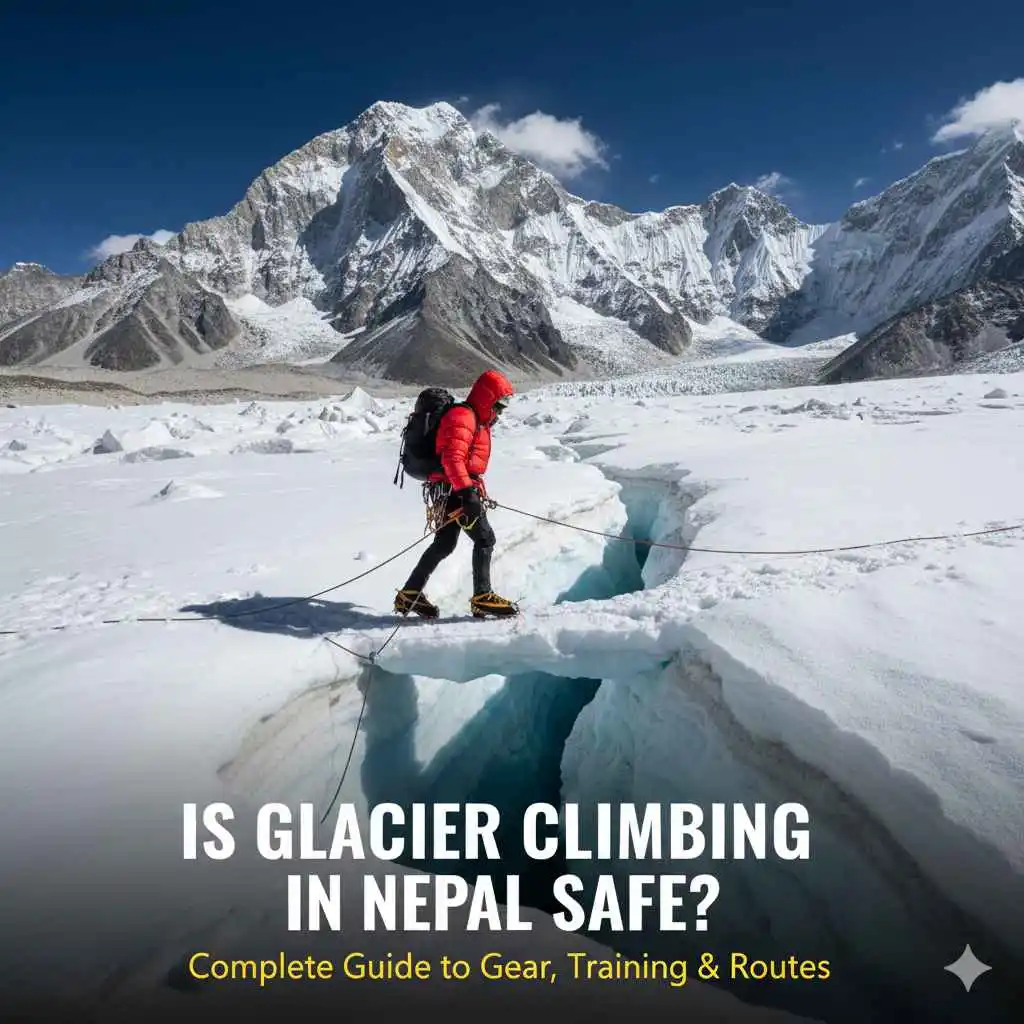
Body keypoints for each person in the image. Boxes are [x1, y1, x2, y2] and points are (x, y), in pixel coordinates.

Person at [395, 369, 520, 620]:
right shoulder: (464, 416)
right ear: (487, 399)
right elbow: (452, 458)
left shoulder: (475, 419)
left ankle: (410, 593)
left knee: (444, 544)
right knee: (485, 539)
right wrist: (467, 493)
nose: (500, 412)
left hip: (451, 489)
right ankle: (482, 597)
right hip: (456, 491)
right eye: (499, 405)